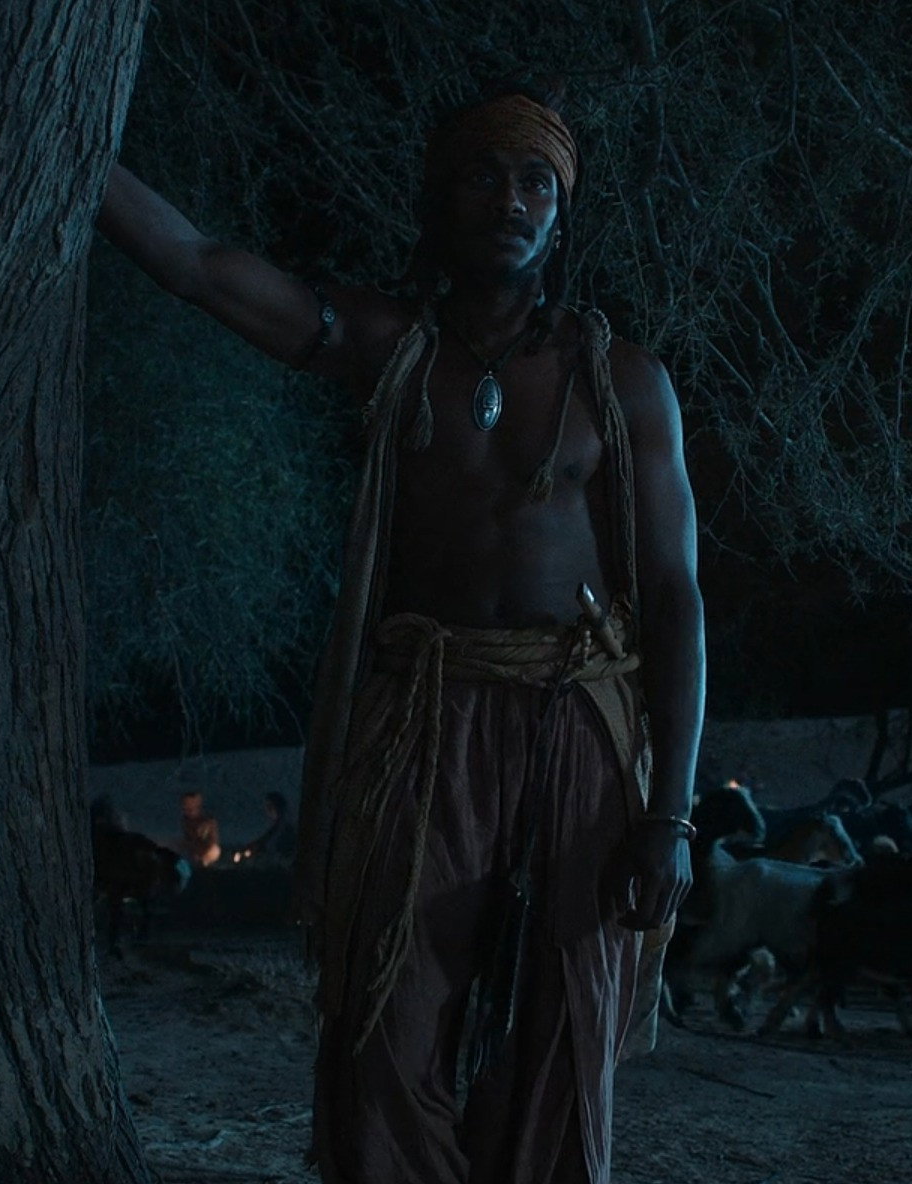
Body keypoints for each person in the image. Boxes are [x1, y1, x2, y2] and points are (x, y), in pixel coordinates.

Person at [99, 78, 703, 1184]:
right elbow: (196, 266)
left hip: (576, 723)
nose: (510, 200)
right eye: (483, 176)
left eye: (536, 182)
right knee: (384, 1012)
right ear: (438, 202)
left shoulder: (621, 382)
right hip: (423, 718)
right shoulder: (389, 349)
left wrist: (669, 815)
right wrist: (71, 148)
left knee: (560, 1029)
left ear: (561, 213)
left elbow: (673, 598)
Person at [238, 790, 299, 866]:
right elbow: (265, 838)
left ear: (278, 807)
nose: (267, 810)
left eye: (270, 806)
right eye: (267, 806)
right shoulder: (277, 827)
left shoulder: (286, 827)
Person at [177, 790, 221, 869]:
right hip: (192, 852)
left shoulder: (207, 822)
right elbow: (187, 839)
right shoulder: (185, 821)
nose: (188, 807)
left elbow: (211, 840)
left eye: (191, 803)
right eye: (185, 804)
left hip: (206, 851)